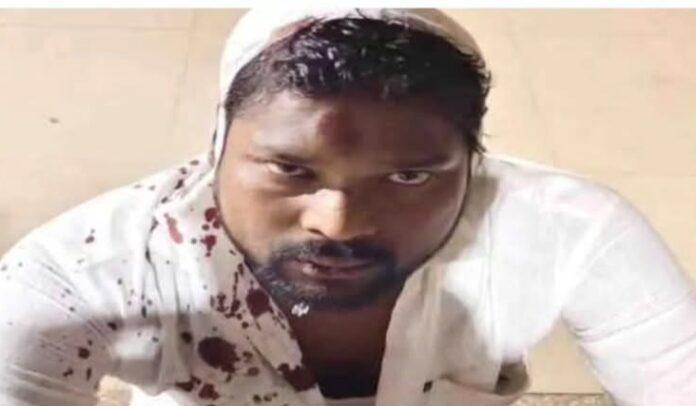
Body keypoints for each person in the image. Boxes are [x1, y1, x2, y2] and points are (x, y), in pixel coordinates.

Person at [1, 8, 695, 406]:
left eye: (409, 176)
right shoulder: (83, 271)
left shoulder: (569, 231)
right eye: (290, 170)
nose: (337, 223)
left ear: (473, 163)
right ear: (218, 148)